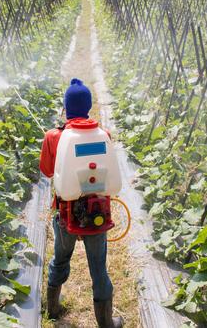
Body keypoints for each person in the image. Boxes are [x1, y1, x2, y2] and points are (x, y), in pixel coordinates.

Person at [40, 78, 124, 328]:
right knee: (98, 266)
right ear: (88, 107)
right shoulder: (103, 135)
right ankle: (106, 322)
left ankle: (53, 309)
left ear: (66, 109)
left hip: (65, 214)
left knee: (60, 258)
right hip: (97, 213)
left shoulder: (54, 136)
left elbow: (46, 171)